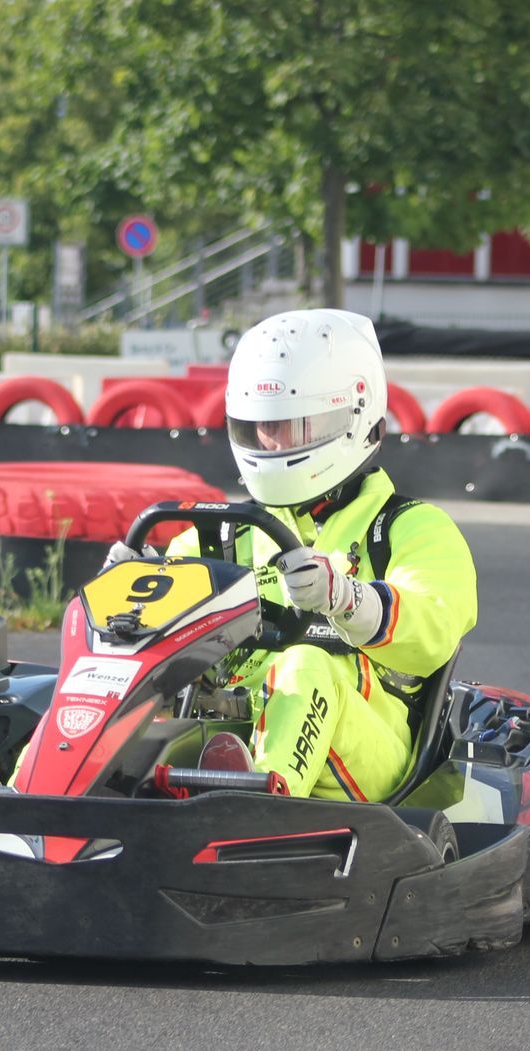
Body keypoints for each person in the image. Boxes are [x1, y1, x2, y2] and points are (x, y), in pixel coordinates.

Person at [108, 307, 478, 801]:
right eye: (263, 426)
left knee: (305, 664)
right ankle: (27, 795)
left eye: (298, 425)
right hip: (234, 725)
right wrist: (127, 593)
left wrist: (346, 598)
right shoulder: (226, 533)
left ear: (356, 417)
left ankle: (256, 809)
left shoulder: (411, 527)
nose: (275, 441)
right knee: (110, 669)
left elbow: (431, 636)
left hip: (368, 748)